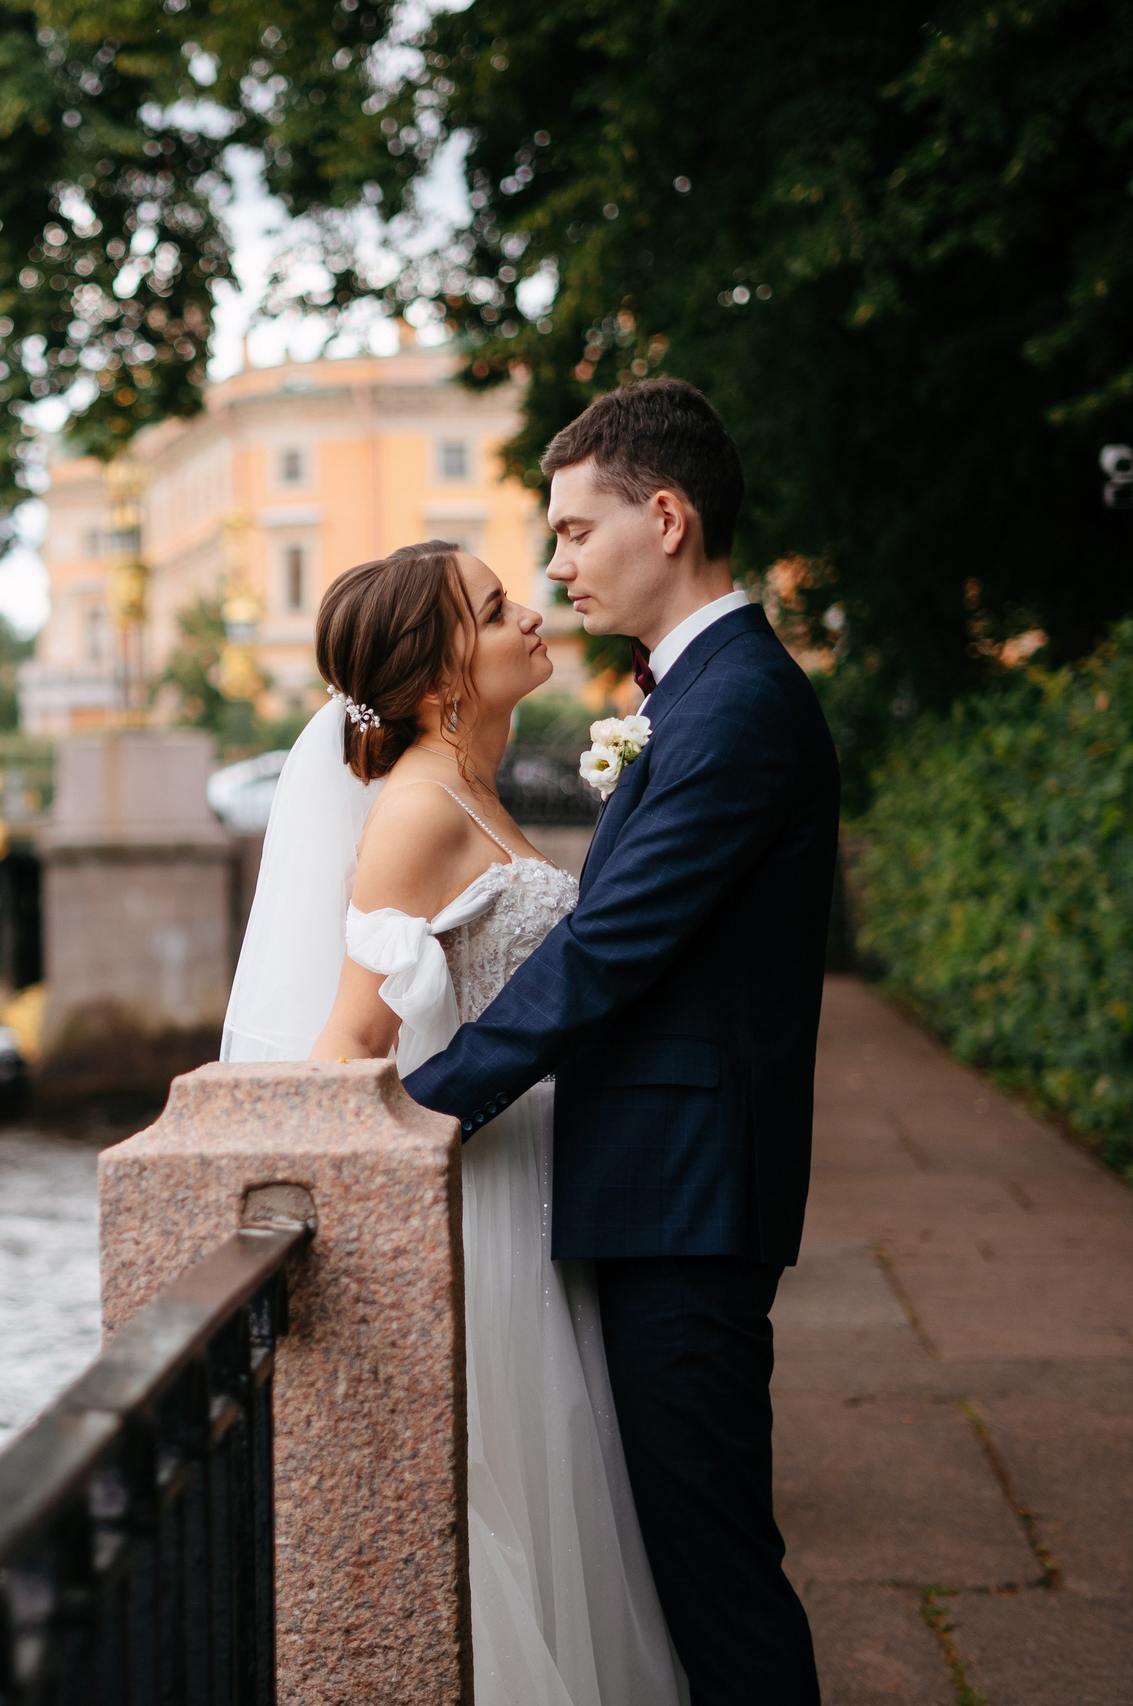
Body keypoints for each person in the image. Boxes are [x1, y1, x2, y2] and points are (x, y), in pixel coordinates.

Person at [404, 378, 835, 1705]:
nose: (557, 563)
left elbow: (612, 946)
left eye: (576, 531)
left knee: (713, 1572)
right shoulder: (693, 695)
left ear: (666, 515)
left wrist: (430, 1102)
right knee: (688, 1562)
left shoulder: (740, 704)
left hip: (686, 1200)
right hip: (658, 1187)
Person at [220, 540, 684, 1706]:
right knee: (500, 1499)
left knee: (559, 1487)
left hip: (536, 1177)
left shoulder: (470, 789)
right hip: (478, 1193)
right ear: (440, 682)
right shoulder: (414, 814)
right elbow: (349, 1048)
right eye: (494, 609)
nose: (531, 611)